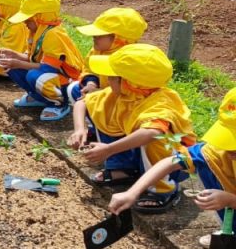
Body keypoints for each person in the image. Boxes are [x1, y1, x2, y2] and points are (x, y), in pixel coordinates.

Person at [68, 44, 196, 211]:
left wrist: (109, 149)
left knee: (156, 137)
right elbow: (82, 103)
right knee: (101, 113)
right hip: (143, 155)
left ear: (128, 83)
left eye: (112, 76)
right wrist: (80, 129)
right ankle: (124, 168)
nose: (106, 78)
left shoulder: (160, 103)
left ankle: (164, 189)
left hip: (174, 164)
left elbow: (151, 132)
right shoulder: (121, 94)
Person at [110, 86, 235, 232]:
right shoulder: (219, 152)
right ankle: (229, 229)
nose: (229, 150)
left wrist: (231, 200)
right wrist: (131, 193)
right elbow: (169, 162)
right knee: (207, 162)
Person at [70, 8, 147, 103]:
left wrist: (99, 94)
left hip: (120, 101)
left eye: (99, 35)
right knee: (73, 89)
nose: (93, 37)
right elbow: (89, 69)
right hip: (99, 91)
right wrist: (91, 83)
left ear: (117, 39)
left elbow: (127, 92)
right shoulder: (98, 50)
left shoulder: (130, 61)